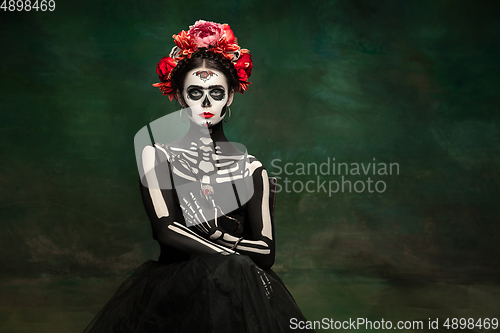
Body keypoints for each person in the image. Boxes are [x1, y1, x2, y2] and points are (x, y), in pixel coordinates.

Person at [83, 20, 313, 333]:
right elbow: (166, 230)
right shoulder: (158, 155)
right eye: (195, 92)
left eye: (216, 92)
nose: (206, 103)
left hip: (240, 288)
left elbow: (266, 251)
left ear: (230, 97)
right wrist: (232, 256)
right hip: (177, 289)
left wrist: (220, 238)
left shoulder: (251, 168)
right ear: (179, 96)